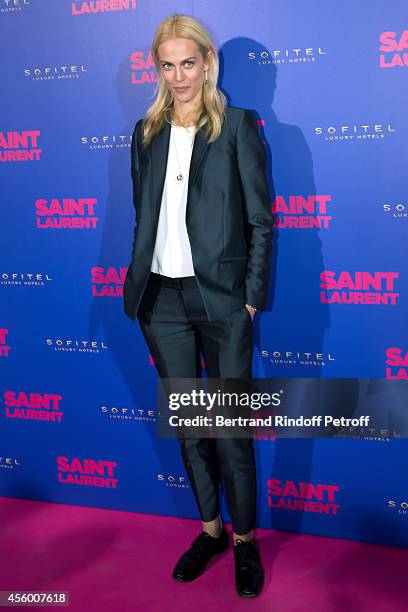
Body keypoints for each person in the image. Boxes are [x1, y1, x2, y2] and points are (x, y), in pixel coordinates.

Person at [123, 14, 274, 598]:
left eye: (189, 63)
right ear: (157, 68)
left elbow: (261, 220)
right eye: (168, 64)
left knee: (231, 431)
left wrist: (252, 299)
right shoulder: (145, 131)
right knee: (190, 429)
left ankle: (243, 541)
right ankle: (209, 530)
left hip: (224, 301)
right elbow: (145, 218)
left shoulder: (237, 126)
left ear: (207, 63)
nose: (179, 75)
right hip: (160, 300)